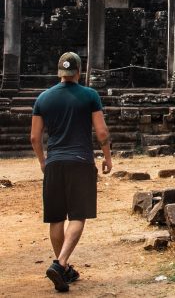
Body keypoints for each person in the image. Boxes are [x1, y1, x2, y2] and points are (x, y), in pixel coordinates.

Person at [29, 52, 113, 292]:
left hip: (54, 162)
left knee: (56, 218)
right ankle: (62, 263)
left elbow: (35, 137)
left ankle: (63, 270)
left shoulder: (43, 98)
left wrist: (43, 161)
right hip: (80, 161)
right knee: (77, 216)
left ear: (59, 73)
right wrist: (107, 158)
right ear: (79, 71)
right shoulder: (89, 96)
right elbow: (103, 132)